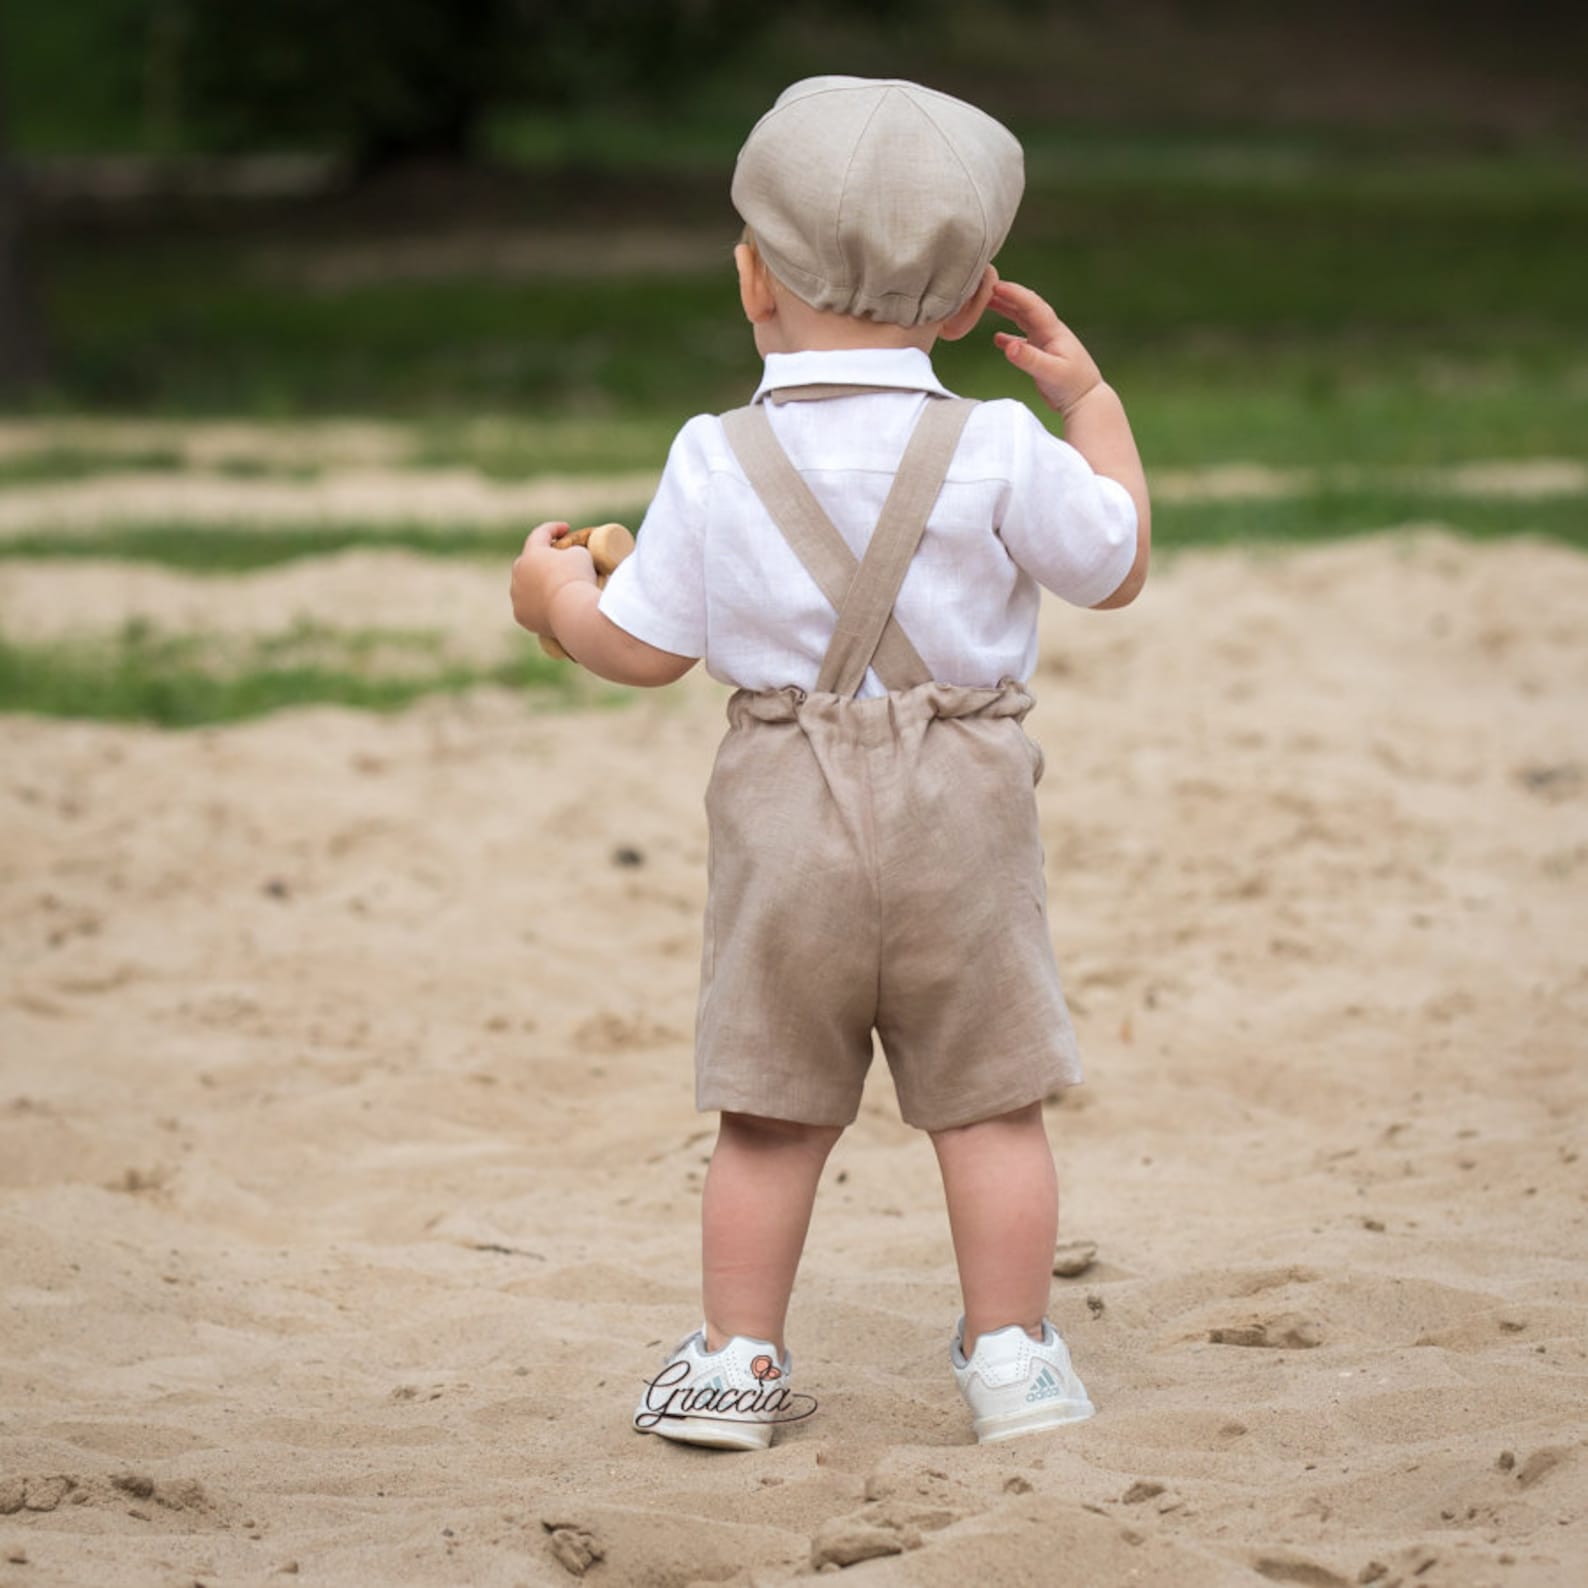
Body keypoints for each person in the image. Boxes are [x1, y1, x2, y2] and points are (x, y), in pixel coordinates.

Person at [510, 76, 1150, 1448]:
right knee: (989, 1108)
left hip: (786, 808)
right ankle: (1014, 1360)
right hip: (963, 804)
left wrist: (552, 599)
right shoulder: (998, 443)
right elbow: (1116, 563)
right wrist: (1091, 402)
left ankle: (736, 1365)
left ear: (752, 277)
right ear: (971, 303)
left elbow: (642, 649)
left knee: (770, 1114)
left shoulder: (714, 457)